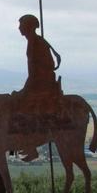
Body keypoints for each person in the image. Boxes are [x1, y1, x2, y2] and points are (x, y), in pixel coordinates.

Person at [11, 14, 63, 161]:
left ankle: (30, 147)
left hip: (42, 85)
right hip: (41, 83)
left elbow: (35, 73)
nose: (19, 28)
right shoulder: (35, 41)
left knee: (20, 107)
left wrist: (24, 91)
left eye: (21, 25)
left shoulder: (35, 42)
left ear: (28, 26)